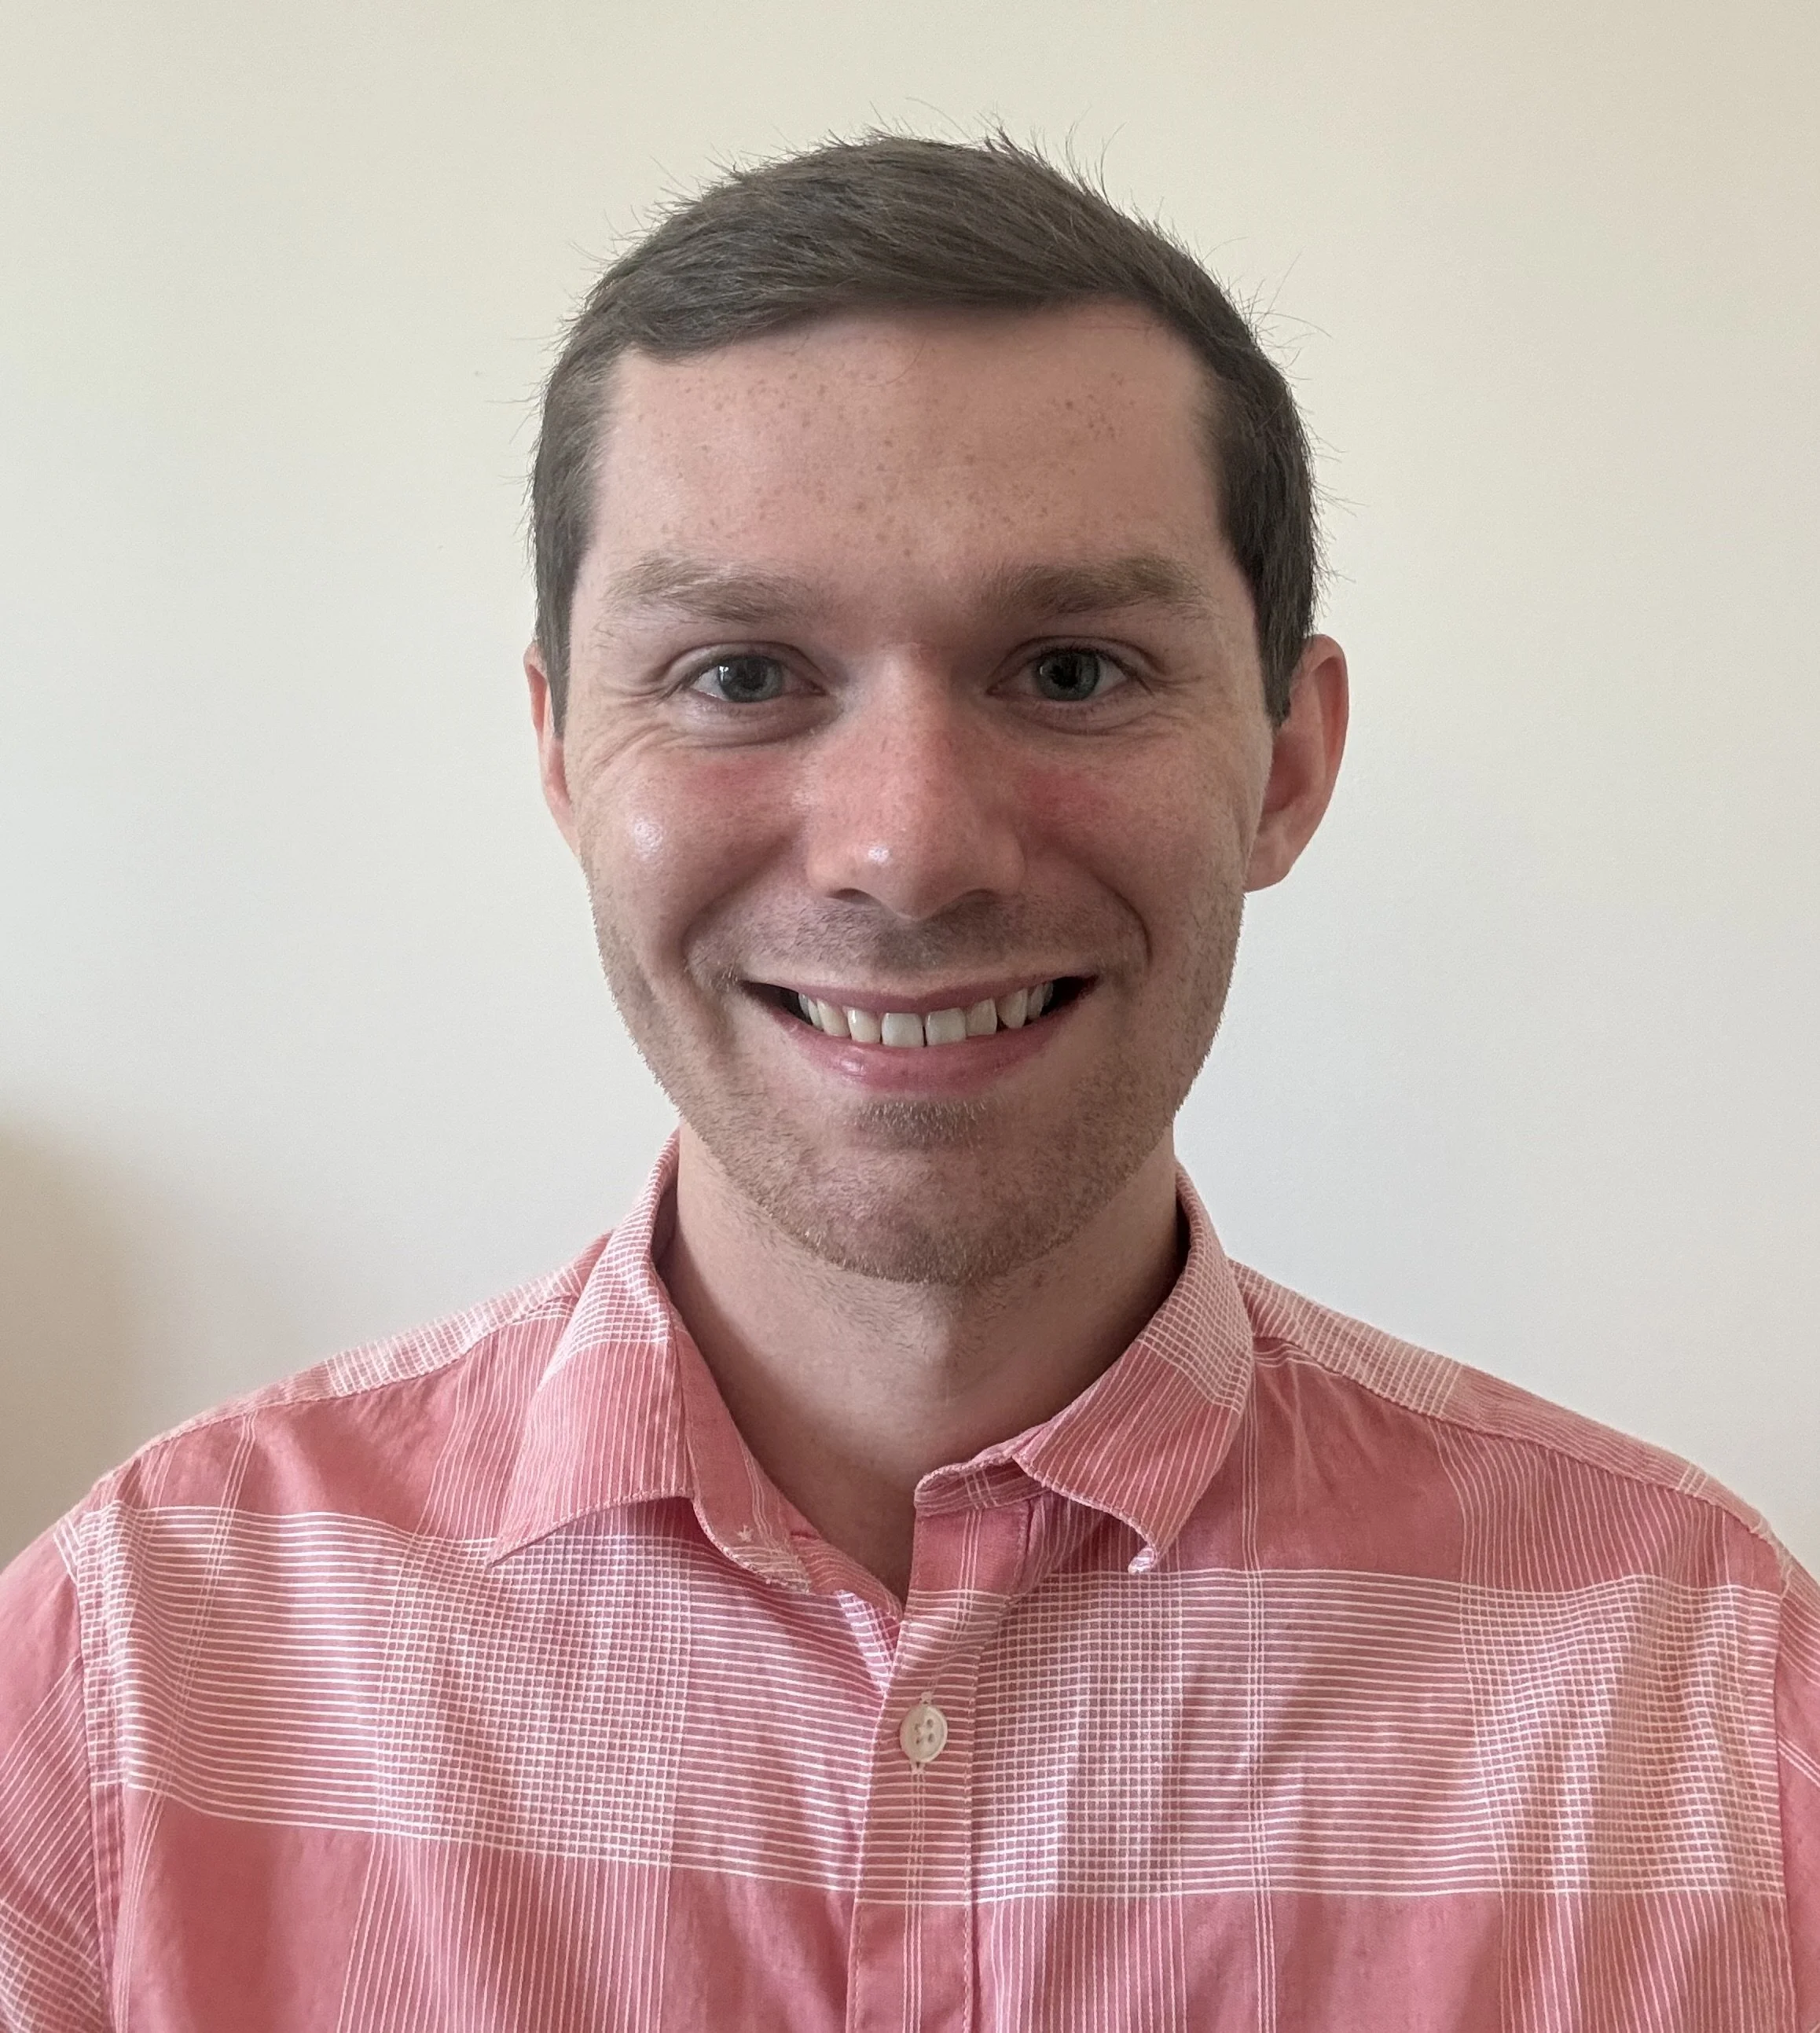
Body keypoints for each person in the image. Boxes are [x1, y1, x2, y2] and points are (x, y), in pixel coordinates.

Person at [0, 134, 1814, 2033]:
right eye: (740, 675)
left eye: (1073, 670)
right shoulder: (119, 1694)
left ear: (1288, 762)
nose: (908, 850)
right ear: (561, 756)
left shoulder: (1708, 1694)